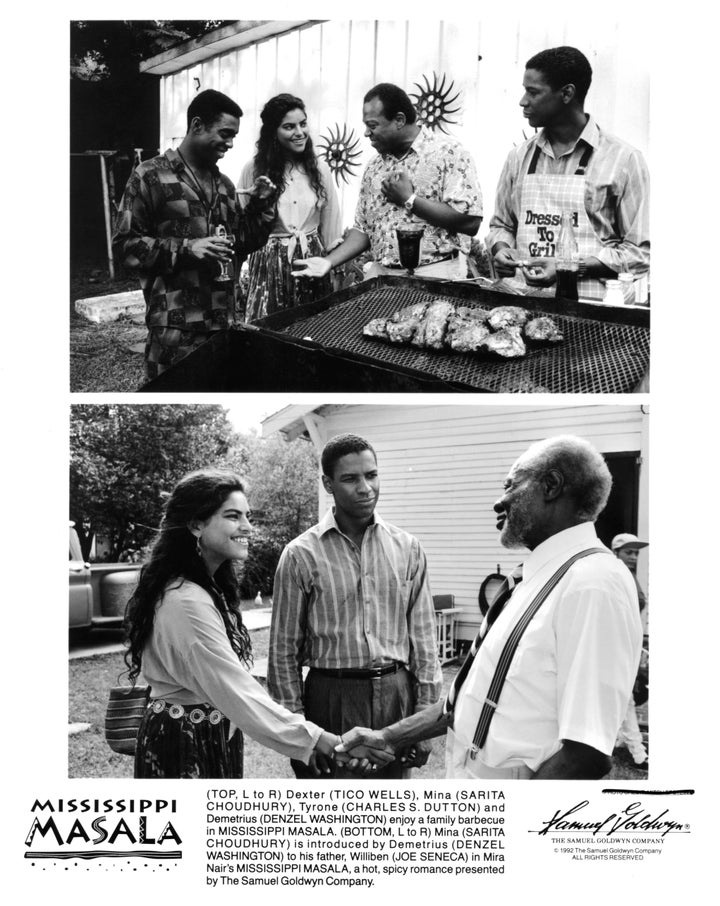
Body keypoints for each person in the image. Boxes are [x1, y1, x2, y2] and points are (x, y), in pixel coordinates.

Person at [337, 435, 643, 780]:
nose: (500, 501)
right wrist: (387, 738)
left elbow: (586, 753)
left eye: (510, 485)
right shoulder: (530, 579)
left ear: (551, 486)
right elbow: (471, 698)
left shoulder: (593, 582)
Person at [123, 469, 340, 778]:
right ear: (196, 524)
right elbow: (234, 689)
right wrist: (315, 739)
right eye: (233, 516)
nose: (247, 527)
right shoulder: (186, 600)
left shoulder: (200, 590)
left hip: (201, 733)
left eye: (247, 516)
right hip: (184, 745)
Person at [268, 433, 443, 779]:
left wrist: (423, 719)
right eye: (350, 478)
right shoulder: (300, 555)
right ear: (328, 484)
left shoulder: (407, 548)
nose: (365, 488)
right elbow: (282, 653)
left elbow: (424, 641)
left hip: (397, 697)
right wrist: (299, 737)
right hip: (331, 698)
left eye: (371, 475)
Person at [113, 89, 277, 379]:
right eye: (225, 133)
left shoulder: (224, 185)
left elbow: (242, 243)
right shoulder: (150, 175)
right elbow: (126, 247)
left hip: (223, 326)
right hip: (175, 332)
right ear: (197, 125)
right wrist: (187, 249)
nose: (229, 144)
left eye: (234, 137)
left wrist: (262, 205)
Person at [487, 46, 650, 301]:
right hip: (523, 304)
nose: (523, 101)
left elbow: (640, 254)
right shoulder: (519, 157)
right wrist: (502, 248)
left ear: (567, 93)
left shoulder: (624, 160)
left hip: (593, 311)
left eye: (533, 92)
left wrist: (571, 267)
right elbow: (501, 225)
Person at [293, 82, 482, 282]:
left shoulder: (449, 154)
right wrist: (329, 262)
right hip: (382, 275)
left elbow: (470, 221)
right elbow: (363, 229)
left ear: (399, 120)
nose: (366, 133)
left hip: (436, 274)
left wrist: (410, 199)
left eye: (372, 125)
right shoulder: (374, 166)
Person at [238, 93, 343, 321]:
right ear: (273, 132)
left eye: (303, 124)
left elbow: (331, 221)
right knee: (269, 330)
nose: (299, 132)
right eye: (289, 126)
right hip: (268, 264)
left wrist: (333, 265)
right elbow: (242, 225)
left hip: (311, 262)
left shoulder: (320, 169)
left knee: (314, 328)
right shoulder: (253, 170)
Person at [611, 532, 649, 769]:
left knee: (624, 695)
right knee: (626, 697)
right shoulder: (615, 575)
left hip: (629, 643)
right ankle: (638, 753)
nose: (634, 557)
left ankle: (616, 741)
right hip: (616, 645)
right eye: (628, 552)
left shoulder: (628, 575)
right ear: (616, 553)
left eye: (636, 552)